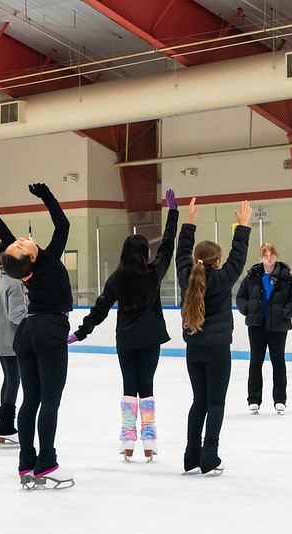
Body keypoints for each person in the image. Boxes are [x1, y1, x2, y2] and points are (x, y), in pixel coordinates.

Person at [0, 183, 74, 490]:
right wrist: (47, 196)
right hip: (50, 329)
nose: (21, 240)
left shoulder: (21, 266)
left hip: (27, 333)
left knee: (31, 398)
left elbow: (1, 230)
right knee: (49, 400)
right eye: (21, 245)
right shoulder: (47, 260)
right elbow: (63, 224)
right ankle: (47, 463)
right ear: (31, 257)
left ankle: (26, 465)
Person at [69, 189, 179, 461]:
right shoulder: (154, 273)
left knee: (130, 386)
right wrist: (173, 213)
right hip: (150, 339)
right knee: (147, 387)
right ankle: (150, 441)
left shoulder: (117, 279)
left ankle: (127, 441)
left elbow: (100, 309)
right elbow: (168, 246)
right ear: (145, 253)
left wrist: (80, 333)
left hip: (127, 340)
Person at [177, 197, 251, 476]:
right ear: (218, 261)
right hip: (218, 349)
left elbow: (181, 252)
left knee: (199, 401)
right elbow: (239, 256)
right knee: (216, 403)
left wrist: (189, 222)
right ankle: (209, 455)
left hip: (194, 348)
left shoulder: (186, 275)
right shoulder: (223, 278)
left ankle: (190, 455)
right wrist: (242, 226)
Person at [236, 242, 292, 415]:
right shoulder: (252, 276)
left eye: (271, 254)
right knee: (255, 361)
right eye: (265, 254)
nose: (268, 257)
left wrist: (286, 312)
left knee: (278, 361)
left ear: (276, 256)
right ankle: (254, 399)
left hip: (278, 325)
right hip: (256, 324)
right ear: (260, 257)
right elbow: (241, 296)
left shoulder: (287, 278)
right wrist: (247, 310)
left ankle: (280, 399)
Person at [0, 241, 27, 446]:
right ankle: (5, 427)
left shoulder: (4, 278)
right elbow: (16, 315)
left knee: (9, 379)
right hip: (9, 337)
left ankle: (1, 426)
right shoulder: (14, 281)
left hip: (1, 335)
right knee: (14, 379)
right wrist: (32, 320)